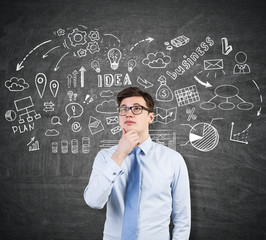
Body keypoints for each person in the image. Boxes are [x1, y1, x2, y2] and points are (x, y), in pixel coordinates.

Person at [84, 87, 191, 240]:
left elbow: (182, 218)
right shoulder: (106, 157)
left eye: (136, 109)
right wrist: (120, 155)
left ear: (151, 117)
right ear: (119, 117)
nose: (128, 113)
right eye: (123, 109)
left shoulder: (173, 160)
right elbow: (94, 201)